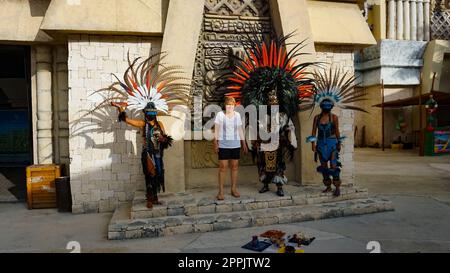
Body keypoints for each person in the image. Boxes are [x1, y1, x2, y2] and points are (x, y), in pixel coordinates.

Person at [118, 102, 172, 208]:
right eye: (149, 112)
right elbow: (127, 120)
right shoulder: (143, 124)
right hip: (148, 153)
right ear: (146, 113)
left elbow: (165, 137)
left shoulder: (159, 124)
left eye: (152, 112)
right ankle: (150, 199)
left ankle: (155, 197)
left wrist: (163, 139)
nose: (151, 115)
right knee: (150, 175)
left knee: (158, 174)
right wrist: (121, 109)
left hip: (157, 154)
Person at [214, 97, 248, 200]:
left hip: (235, 144)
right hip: (223, 144)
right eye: (228, 105)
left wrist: (244, 143)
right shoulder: (220, 115)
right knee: (223, 167)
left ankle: (233, 189)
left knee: (234, 166)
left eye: (232, 105)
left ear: (234, 106)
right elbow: (216, 130)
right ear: (225, 105)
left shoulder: (237, 115)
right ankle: (221, 191)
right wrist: (215, 143)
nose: (230, 107)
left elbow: (240, 130)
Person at [311, 99, 342, 196]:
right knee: (324, 167)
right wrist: (313, 144)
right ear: (322, 107)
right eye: (325, 107)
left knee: (333, 165)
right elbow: (313, 132)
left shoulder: (334, 117)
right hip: (321, 145)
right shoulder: (317, 118)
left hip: (332, 144)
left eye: (328, 107)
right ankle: (328, 186)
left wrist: (339, 142)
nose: (327, 109)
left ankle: (337, 187)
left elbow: (337, 131)